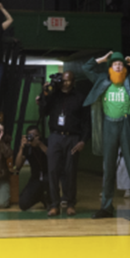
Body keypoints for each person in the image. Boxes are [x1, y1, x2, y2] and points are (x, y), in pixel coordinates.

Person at [83, 51, 130, 222]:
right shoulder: (102, 79)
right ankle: (106, 207)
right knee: (108, 167)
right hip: (109, 124)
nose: (118, 66)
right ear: (110, 67)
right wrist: (102, 59)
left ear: (125, 67)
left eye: (121, 64)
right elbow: (85, 68)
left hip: (126, 124)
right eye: (115, 64)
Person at [39, 70, 87, 216]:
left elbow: (86, 122)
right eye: (64, 81)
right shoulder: (54, 95)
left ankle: (70, 203)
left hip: (73, 137)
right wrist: (45, 94)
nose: (65, 83)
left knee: (70, 171)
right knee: (53, 170)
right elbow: (43, 111)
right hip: (55, 136)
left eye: (68, 81)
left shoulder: (80, 97)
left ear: (73, 82)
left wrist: (83, 141)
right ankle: (54, 204)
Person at [14, 125, 50, 211]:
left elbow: (53, 157)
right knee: (23, 204)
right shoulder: (28, 147)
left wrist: (39, 144)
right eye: (31, 136)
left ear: (40, 135)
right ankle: (40, 196)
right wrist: (21, 148)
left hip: (49, 177)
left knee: (52, 205)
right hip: (36, 177)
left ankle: (48, 198)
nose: (33, 138)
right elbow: (18, 165)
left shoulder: (46, 142)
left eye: (36, 136)